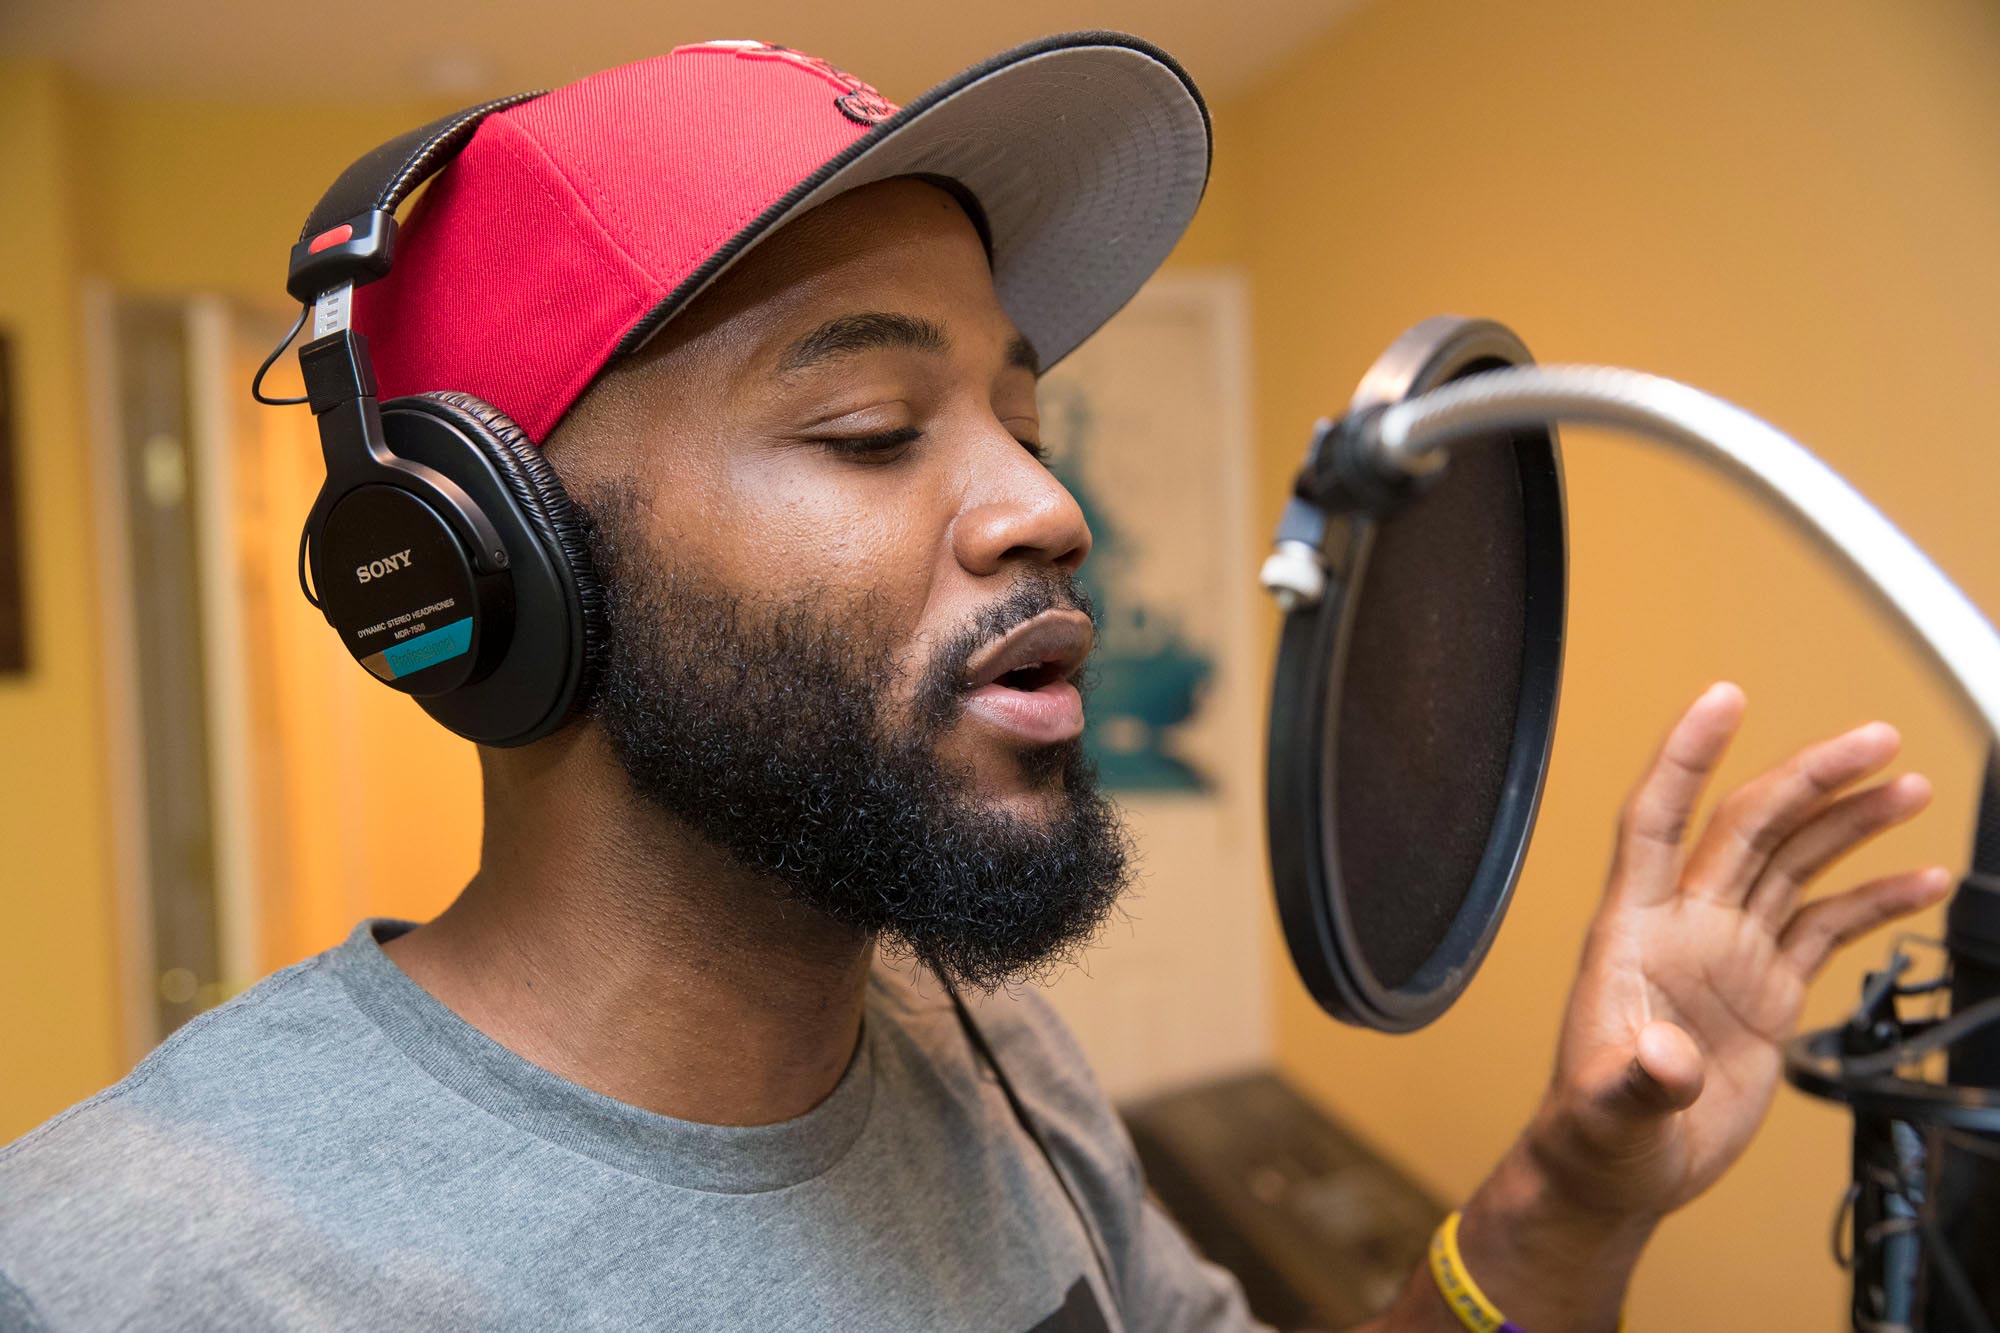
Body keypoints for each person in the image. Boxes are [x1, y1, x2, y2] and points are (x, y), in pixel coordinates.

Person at [0, 33, 1950, 1333]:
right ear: (482, 564)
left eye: (1024, 419)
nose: (1043, 504)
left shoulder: (981, 1057)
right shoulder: (136, 1274)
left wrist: (1566, 1192)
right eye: (865, 426)